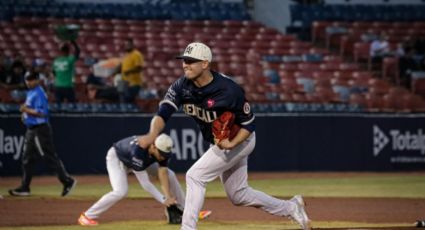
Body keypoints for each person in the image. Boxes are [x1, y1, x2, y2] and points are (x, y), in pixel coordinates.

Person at [137, 42, 311, 230]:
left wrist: (232, 143)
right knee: (238, 195)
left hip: (241, 139)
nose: (185, 64)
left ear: (205, 63)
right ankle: (292, 208)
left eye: (190, 61)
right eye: (183, 60)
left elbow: (249, 124)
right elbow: (163, 112)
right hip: (220, 142)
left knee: (195, 176)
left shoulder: (229, 90)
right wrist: (151, 134)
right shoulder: (181, 86)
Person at [77, 134, 212, 226]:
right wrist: (164, 199)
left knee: (170, 174)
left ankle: (189, 210)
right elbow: (146, 183)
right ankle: (87, 216)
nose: (163, 157)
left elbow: (163, 173)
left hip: (140, 160)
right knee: (120, 191)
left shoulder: (161, 150)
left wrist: (170, 197)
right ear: (153, 147)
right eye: (162, 154)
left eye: (166, 155)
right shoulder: (138, 153)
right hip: (117, 158)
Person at [8, 72, 77, 197]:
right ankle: (25, 187)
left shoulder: (39, 93)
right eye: (26, 79)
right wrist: (25, 115)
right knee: (27, 158)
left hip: (40, 130)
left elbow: (42, 113)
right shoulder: (30, 92)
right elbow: (29, 109)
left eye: (31, 80)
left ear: (37, 80)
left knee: (48, 156)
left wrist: (26, 110)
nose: (28, 82)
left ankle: (67, 181)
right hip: (31, 129)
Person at [116, 38, 145, 103]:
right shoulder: (125, 56)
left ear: (132, 45)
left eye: (128, 44)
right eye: (125, 45)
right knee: (123, 101)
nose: (126, 46)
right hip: (125, 83)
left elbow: (139, 67)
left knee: (129, 100)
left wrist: (128, 71)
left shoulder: (136, 54)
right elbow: (122, 68)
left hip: (134, 83)